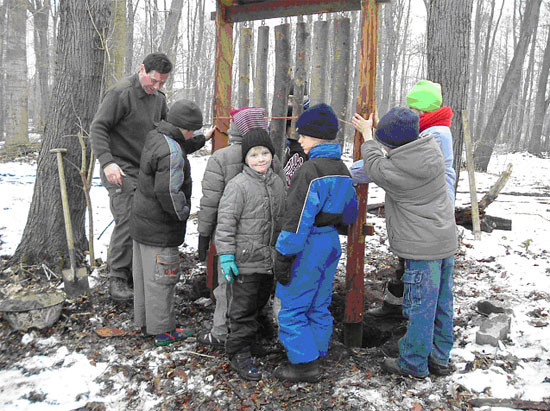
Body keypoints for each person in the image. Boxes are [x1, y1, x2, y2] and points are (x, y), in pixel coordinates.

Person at [352, 107, 457, 378]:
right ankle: (439, 358)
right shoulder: (430, 148)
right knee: (441, 303)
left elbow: (374, 166)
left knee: (420, 308)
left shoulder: (400, 170)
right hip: (444, 240)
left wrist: (367, 135)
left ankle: (412, 363)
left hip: (423, 249)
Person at [273, 103, 358, 383]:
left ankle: (303, 364)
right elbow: (350, 214)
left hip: (307, 245)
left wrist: (284, 255)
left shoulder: (309, 171)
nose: (299, 140)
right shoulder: (342, 169)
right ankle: (318, 351)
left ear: (315, 137)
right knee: (318, 303)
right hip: (331, 243)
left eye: (303, 135)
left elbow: (296, 220)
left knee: (292, 306)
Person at [362, 80, 457, 320]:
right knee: (410, 272)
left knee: (418, 281)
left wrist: (368, 141)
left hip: (424, 219)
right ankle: (399, 309)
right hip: (430, 219)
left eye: (413, 110)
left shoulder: (434, 135)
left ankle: (410, 335)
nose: (411, 114)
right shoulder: (429, 133)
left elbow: (386, 168)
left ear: (424, 111)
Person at [196, 107, 284, 349]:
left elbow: (210, 201)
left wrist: (204, 234)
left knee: (227, 287)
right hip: (260, 241)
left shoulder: (221, 157)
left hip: (227, 235)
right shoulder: (270, 157)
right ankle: (250, 330)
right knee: (252, 289)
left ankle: (221, 332)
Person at [130, 99, 215, 346]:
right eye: (193, 130)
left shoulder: (158, 136)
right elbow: (168, 191)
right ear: (186, 128)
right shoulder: (173, 152)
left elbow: (178, 147)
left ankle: (146, 322)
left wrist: (202, 139)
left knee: (146, 276)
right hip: (160, 228)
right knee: (162, 279)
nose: (193, 133)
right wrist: (183, 213)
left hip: (142, 224)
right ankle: (162, 330)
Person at [91, 53, 173, 302]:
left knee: (147, 218)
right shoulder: (120, 93)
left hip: (144, 171)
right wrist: (107, 162)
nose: (157, 87)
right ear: (142, 70)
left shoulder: (158, 99)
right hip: (118, 168)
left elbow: (167, 129)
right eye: (154, 81)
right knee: (127, 217)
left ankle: (138, 273)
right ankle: (117, 277)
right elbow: (98, 127)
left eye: (162, 83)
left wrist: (196, 137)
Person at [214, 128, 286, 381]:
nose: (260, 159)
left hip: (268, 260)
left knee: (258, 304)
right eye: (254, 155)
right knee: (242, 309)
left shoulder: (278, 182)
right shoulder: (238, 186)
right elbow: (225, 224)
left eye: (265, 153)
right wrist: (226, 256)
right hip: (244, 261)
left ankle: (251, 343)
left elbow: (282, 218)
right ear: (245, 158)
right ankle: (237, 352)